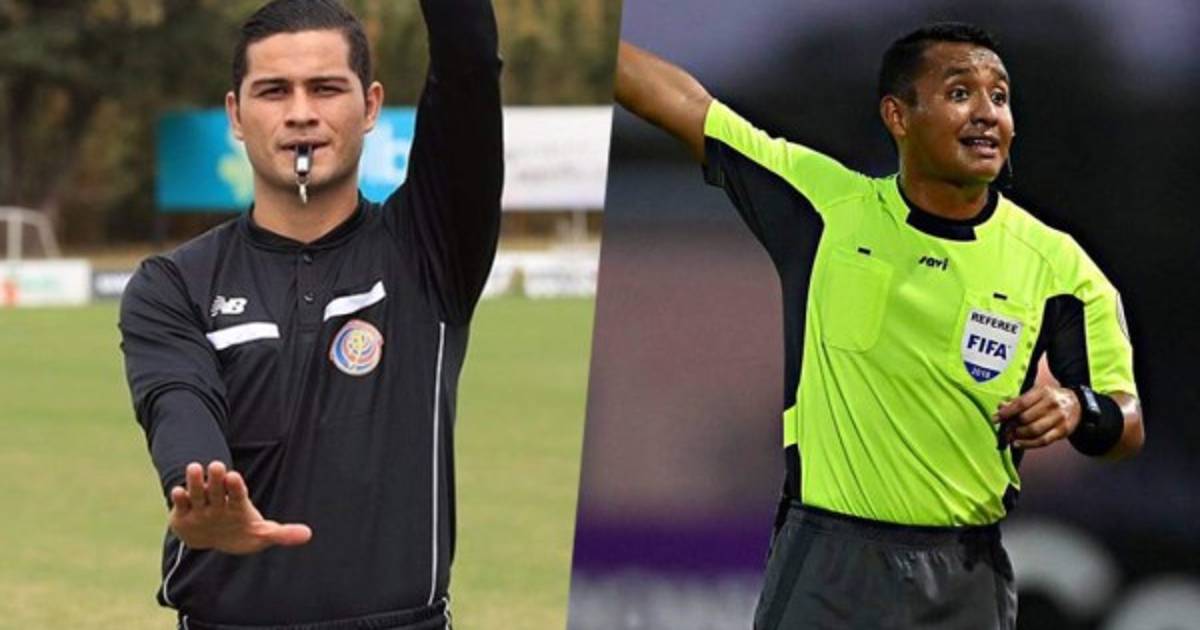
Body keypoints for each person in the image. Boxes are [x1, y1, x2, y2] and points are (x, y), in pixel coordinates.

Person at [615, 22, 1143, 629]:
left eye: (999, 97)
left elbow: (1126, 422)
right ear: (898, 116)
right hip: (829, 564)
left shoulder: (1059, 266)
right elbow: (688, 108)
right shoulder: (827, 208)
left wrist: (1078, 409)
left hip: (965, 574)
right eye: (960, 93)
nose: (987, 114)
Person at [118, 0, 501, 627]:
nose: (300, 112)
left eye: (326, 88)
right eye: (274, 91)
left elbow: (471, 64)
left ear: (371, 106)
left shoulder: (430, 248)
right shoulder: (173, 283)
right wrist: (203, 489)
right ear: (236, 115)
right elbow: (176, 400)